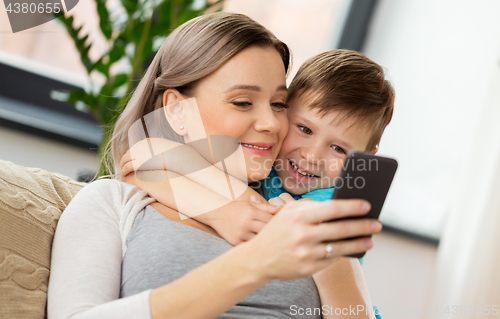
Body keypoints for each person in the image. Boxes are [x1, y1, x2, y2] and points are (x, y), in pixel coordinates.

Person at [48, 12, 381, 319]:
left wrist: (332, 263)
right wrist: (235, 220)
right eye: (242, 102)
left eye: (279, 104)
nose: (270, 123)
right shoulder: (113, 202)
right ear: (178, 111)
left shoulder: (311, 220)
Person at [121, 49, 394, 319]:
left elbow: (273, 222)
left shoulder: (332, 204)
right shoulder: (261, 166)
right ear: (283, 113)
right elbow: (141, 161)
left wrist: (170, 164)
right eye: (305, 129)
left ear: (363, 160)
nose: (311, 157)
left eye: (338, 148)